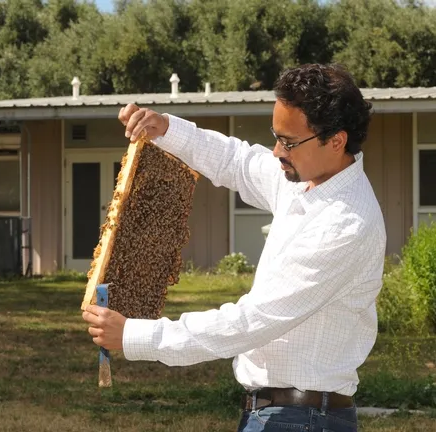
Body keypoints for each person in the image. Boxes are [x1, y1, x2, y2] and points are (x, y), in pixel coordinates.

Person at [82, 63, 386, 432]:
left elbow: (250, 322)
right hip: (282, 414)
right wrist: (166, 128)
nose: (276, 151)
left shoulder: (344, 225)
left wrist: (136, 336)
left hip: (302, 419)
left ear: (336, 141)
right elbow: (237, 161)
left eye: (288, 142)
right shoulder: (305, 178)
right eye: (275, 136)